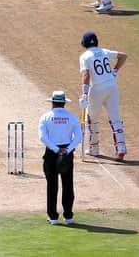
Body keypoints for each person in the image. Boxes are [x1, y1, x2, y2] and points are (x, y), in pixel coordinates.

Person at [78, 31, 128, 160]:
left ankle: (94, 149)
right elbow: (123, 56)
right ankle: (121, 148)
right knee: (115, 118)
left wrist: (84, 93)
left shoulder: (85, 56)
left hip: (97, 89)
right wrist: (115, 70)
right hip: (112, 87)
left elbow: (86, 75)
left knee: (92, 119)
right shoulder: (104, 51)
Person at [39, 91, 82, 225]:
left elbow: (43, 137)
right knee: (68, 184)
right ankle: (68, 216)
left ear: (52, 102)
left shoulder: (46, 117)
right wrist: (67, 150)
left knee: (52, 185)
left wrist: (57, 150)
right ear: (64, 103)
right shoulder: (72, 117)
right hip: (67, 153)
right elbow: (79, 137)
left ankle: (53, 217)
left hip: (52, 153)